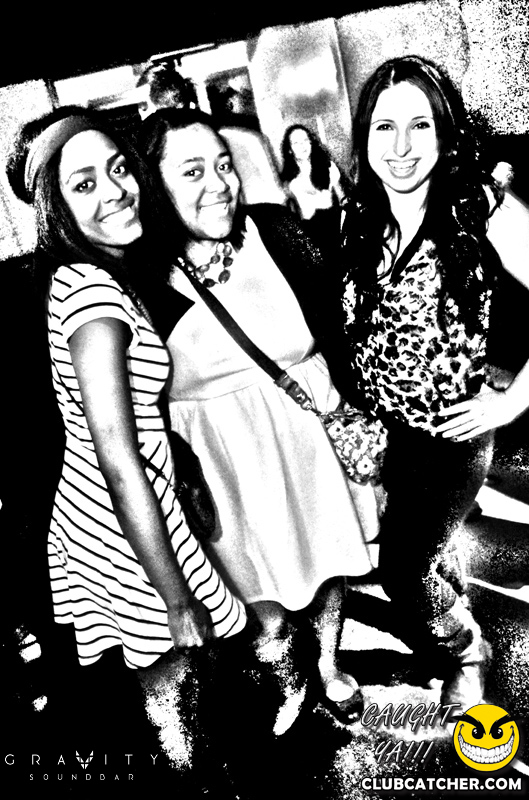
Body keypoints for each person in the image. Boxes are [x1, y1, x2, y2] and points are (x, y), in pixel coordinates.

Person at [6, 106, 247, 776]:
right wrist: (174, 597)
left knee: (170, 692)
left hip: (112, 517)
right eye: (83, 184)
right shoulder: (92, 295)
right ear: (55, 206)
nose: (115, 190)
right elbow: (118, 460)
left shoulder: (84, 278)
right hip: (124, 525)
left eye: (118, 169)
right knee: (175, 685)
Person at [139, 107, 374, 726]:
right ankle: (287, 678)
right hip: (218, 458)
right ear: (153, 186)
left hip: (307, 432)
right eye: (193, 171)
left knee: (326, 563)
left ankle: (327, 665)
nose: (220, 183)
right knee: (254, 595)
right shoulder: (139, 278)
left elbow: (342, 322)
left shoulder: (274, 230)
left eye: (224, 165)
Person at [340, 55, 529, 708]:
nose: (399, 147)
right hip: (388, 437)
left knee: (401, 569)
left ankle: (467, 651)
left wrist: (511, 401)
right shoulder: (361, 219)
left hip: (451, 436)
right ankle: (455, 615)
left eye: (418, 125)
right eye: (383, 127)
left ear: (445, 133)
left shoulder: (480, 210)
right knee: (428, 552)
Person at [280, 124, 347, 265]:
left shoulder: (327, 167)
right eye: (296, 143)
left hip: (335, 232)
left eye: (305, 140)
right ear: (289, 150)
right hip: (312, 240)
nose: (302, 146)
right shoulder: (288, 182)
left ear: (311, 143)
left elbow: (343, 200)